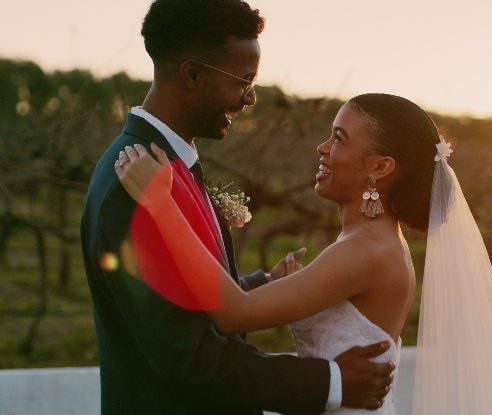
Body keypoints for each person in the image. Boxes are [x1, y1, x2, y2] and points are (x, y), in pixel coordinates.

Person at [116, 93, 492, 415]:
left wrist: (162, 207)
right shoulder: (370, 244)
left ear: (380, 167)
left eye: (339, 138)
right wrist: (273, 282)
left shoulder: (366, 252)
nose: (322, 148)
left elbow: (233, 314)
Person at [80, 1, 394, 415]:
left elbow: (189, 304)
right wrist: (329, 382)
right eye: (243, 80)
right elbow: (190, 356)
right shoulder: (134, 186)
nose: (249, 98)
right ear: (192, 74)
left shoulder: (163, 165)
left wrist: (260, 285)